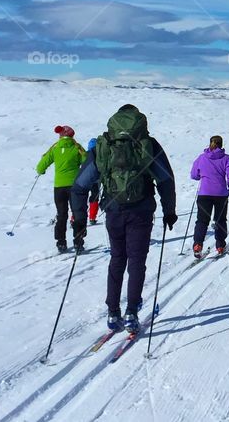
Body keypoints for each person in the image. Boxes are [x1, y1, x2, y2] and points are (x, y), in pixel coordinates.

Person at [71, 104, 177, 334]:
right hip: (142, 211)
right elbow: (166, 180)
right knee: (137, 260)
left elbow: (79, 186)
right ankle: (131, 312)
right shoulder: (148, 144)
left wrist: (79, 220)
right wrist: (169, 211)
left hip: (114, 210)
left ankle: (112, 312)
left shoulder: (104, 145)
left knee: (117, 258)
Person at [36, 125, 87, 254]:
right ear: (71, 135)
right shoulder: (77, 147)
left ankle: (61, 242)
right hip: (75, 186)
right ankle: (78, 241)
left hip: (59, 187)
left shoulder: (55, 147)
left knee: (61, 214)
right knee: (77, 213)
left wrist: (41, 171)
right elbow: (86, 161)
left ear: (61, 136)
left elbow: (41, 165)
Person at [190, 135, 229, 258]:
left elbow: (194, 175)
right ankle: (220, 245)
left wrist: (202, 175)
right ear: (221, 145)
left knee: (202, 220)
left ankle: (198, 245)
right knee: (220, 219)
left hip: (204, 193)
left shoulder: (202, 157)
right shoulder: (227, 158)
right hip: (221, 194)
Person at [86, 137, 101, 225]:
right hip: (96, 180)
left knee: (82, 199)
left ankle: (74, 217)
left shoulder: (86, 155)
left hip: (85, 180)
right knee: (94, 197)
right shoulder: (99, 156)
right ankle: (92, 217)